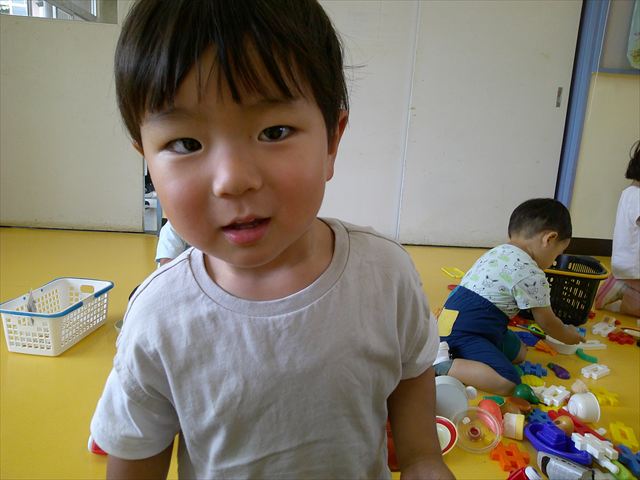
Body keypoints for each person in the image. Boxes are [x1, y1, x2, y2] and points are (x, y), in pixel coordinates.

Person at [90, 1, 453, 479]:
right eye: (186, 144)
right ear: (147, 160)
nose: (232, 180)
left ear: (332, 141)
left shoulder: (385, 276)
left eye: (274, 131)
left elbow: (411, 376)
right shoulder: (158, 319)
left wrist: (424, 459)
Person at [435, 198, 583, 395]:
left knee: (519, 352)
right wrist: (568, 335)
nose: (554, 261)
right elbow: (547, 323)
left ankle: (453, 353)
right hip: (466, 332)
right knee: (507, 381)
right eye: (558, 254)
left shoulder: (498, 252)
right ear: (549, 239)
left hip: (453, 323)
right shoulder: (531, 273)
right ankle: (442, 366)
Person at [595, 140, 640, 317]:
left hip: (629, 266)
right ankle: (621, 289)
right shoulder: (636, 195)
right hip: (633, 268)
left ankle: (624, 289)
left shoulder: (630, 192)